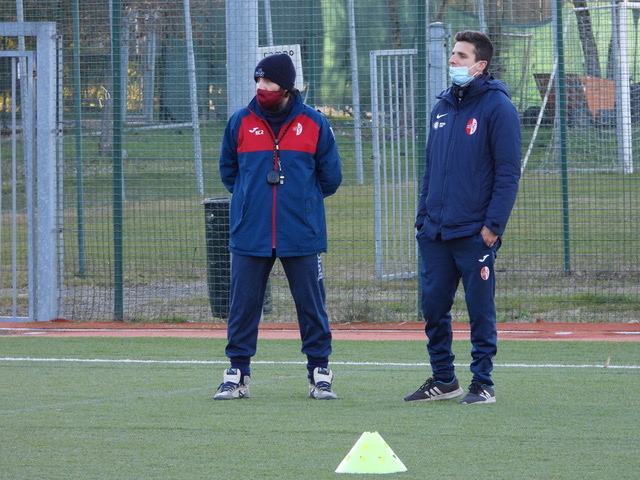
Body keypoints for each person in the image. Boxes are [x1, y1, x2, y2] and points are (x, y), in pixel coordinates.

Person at [215, 53, 342, 400]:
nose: (261, 88)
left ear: (286, 88)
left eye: (268, 82)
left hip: (301, 233)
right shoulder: (239, 122)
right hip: (250, 233)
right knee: (242, 306)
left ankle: (320, 372)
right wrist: (249, 200)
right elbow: (229, 172)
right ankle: (236, 373)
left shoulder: (315, 123)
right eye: (258, 82)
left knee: (311, 305)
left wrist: (301, 204)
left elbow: (331, 178)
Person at [404, 31, 521, 404]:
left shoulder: (498, 107)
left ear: (479, 65)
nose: (452, 61)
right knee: (433, 308)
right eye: (452, 54)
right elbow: (431, 168)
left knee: (480, 311)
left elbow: (507, 173)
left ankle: (482, 383)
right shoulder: (441, 107)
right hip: (435, 232)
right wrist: (423, 218)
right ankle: (444, 380)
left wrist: (492, 227)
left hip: (474, 232)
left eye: (460, 56)